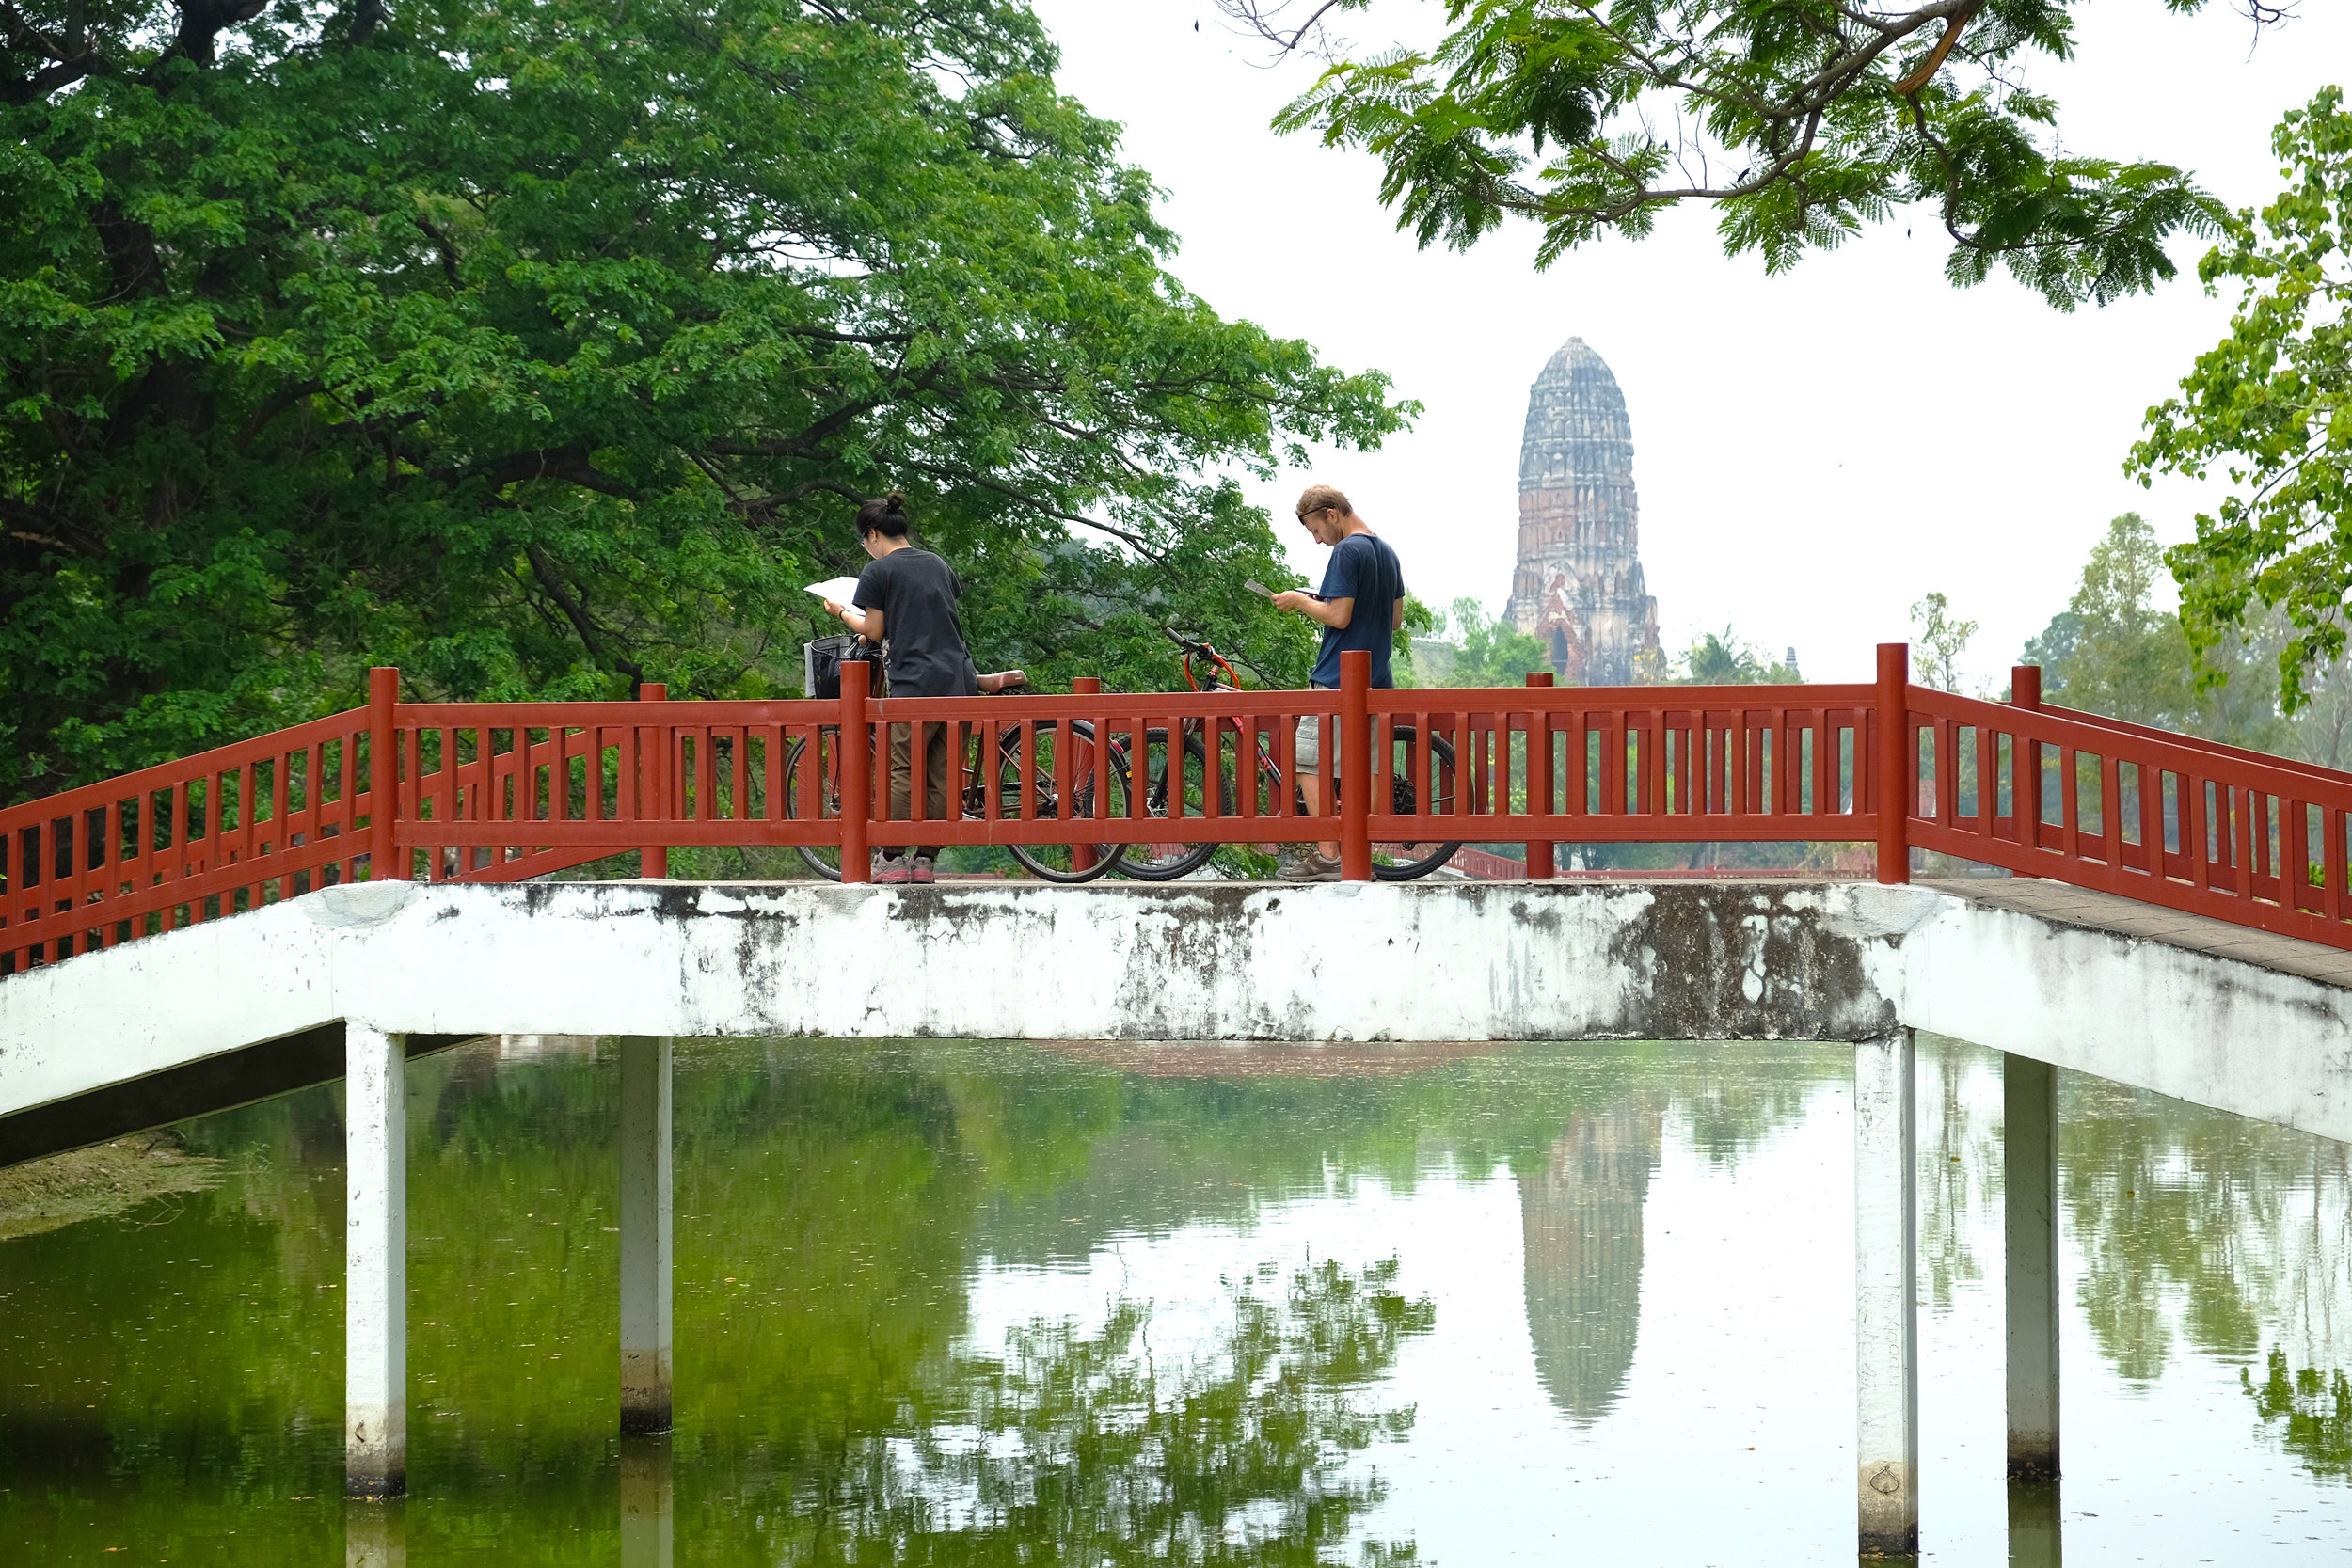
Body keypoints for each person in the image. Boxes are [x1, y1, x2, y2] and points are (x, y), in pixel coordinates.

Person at [820, 493, 979, 883]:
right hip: (958, 679)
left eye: (864, 541)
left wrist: (840, 611)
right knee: (943, 772)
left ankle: (891, 858)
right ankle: (925, 861)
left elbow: (875, 629)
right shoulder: (936, 563)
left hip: (915, 682)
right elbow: (925, 614)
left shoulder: (879, 572)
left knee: (904, 768)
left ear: (873, 534)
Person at [1268, 483, 1406, 882]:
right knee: (1369, 767)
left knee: (1307, 759)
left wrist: (1297, 599)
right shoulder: (1387, 553)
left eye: (1315, 530)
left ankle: (1328, 855)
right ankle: (1358, 852)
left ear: (1332, 514)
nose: (1317, 540)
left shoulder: (1348, 551)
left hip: (1336, 679)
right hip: (1378, 680)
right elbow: (1394, 620)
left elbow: (1339, 616)